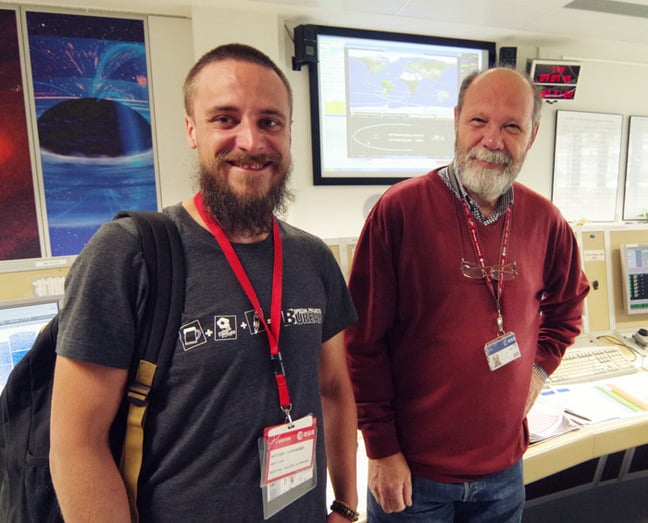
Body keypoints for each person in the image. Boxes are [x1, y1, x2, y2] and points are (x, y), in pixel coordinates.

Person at [50, 43, 360, 523]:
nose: (251, 141)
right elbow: (76, 445)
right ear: (192, 129)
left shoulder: (312, 259)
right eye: (225, 119)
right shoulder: (129, 253)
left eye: (270, 122)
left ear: (290, 132)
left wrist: (345, 503)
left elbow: (335, 388)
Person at [345, 67, 589, 522]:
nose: (493, 140)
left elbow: (568, 306)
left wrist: (537, 369)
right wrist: (380, 449)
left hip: (504, 471)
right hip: (414, 473)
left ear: (532, 135)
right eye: (479, 121)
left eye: (511, 126)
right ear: (457, 121)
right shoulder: (399, 211)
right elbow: (362, 342)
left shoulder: (545, 220)